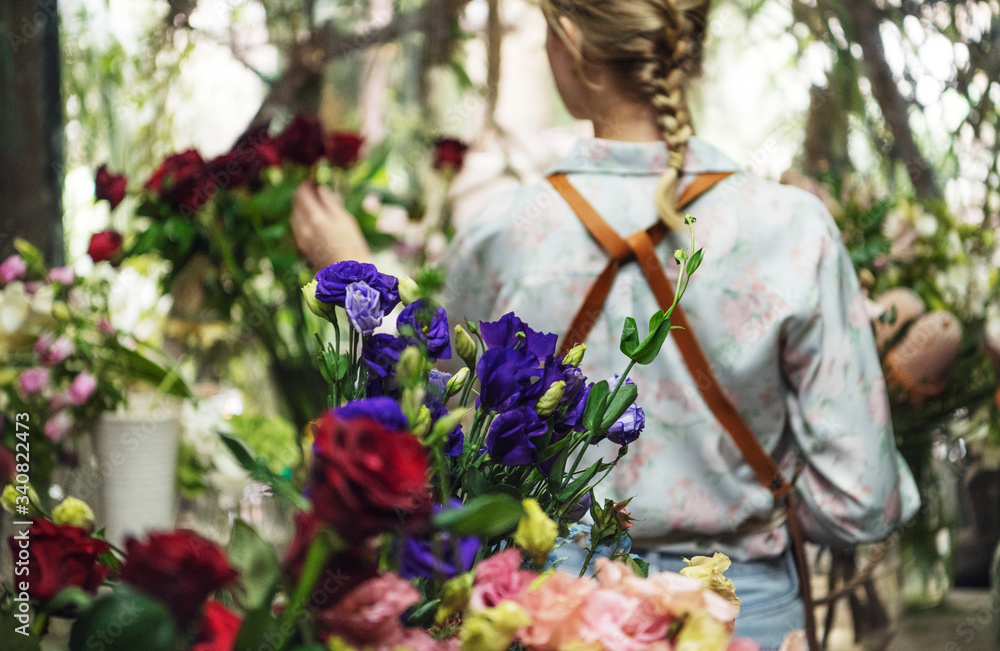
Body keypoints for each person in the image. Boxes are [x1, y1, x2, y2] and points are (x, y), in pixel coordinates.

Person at [290, 0, 920, 647]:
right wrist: (752, 502)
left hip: (550, 617)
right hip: (741, 620)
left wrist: (353, 271)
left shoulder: (502, 233)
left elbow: (438, 429)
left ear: (569, 39)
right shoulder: (793, 228)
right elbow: (860, 502)